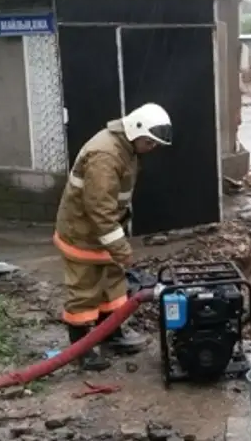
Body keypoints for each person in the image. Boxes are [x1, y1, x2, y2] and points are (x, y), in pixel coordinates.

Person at [53, 103, 173, 371]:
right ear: (135, 130)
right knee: (84, 293)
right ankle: (81, 349)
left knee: (112, 287)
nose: (152, 149)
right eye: (149, 143)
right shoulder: (105, 155)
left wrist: (117, 247)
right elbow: (99, 209)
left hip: (101, 233)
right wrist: (121, 250)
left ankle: (111, 335)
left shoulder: (126, 147)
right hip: (83, 235)